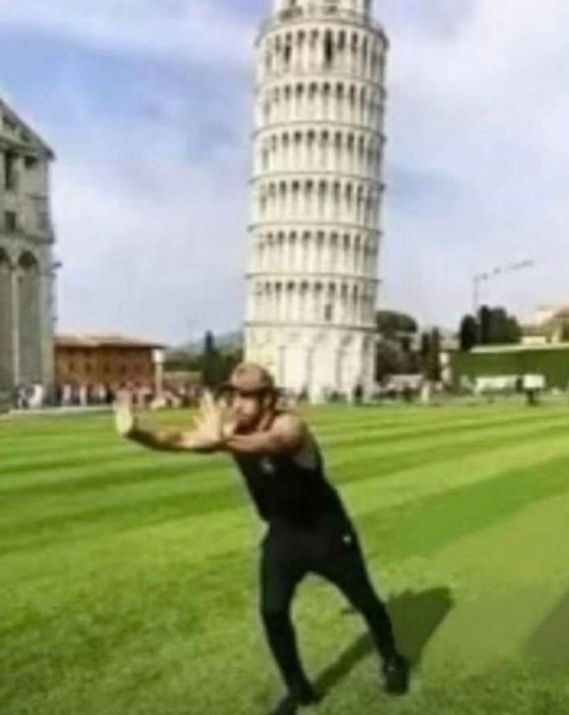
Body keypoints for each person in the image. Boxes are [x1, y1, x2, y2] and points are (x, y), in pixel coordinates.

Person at [114, 363, 409, 714]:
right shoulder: (235, 428)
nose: (238, 403)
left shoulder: (290, 425)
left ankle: (392, 659)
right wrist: (138, 434)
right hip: (284, 534)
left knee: (365, 600)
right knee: (272, 611)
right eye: (235, 394)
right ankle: (299, 689)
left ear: (268, 397)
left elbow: (273, 443)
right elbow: (181, 439)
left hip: (325, 531)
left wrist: (222, 440)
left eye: (248, 396)